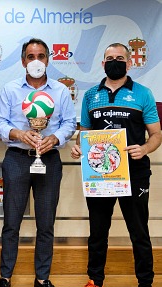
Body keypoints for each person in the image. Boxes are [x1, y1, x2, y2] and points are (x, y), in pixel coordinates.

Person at [70, 43, 161, 287]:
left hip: (135, 173)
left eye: (120, 58)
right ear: (102, 64)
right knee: (98, 231)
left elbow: (156, 134)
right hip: (101, 174)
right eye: (110, 58)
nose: (115, 61)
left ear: (129, 63)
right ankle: (95, 279)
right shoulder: (91, 95)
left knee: (139, 231)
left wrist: (144, 148)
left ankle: (145, 282)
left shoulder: (143, 93)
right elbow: (84, 132)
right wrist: (80, 146)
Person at [0, 38, 76, 287]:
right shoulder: (9, 89)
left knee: (46, 224)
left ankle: (42, 278)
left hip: (49, 160)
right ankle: (5, 277)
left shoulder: (61, 91)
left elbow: (70, 124)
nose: (36, 61)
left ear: (48, 60)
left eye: (41, 56)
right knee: (11, 223)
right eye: (31, 56)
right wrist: (19, 134)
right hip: (17, 159)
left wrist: (55, 137)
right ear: (23, 61)